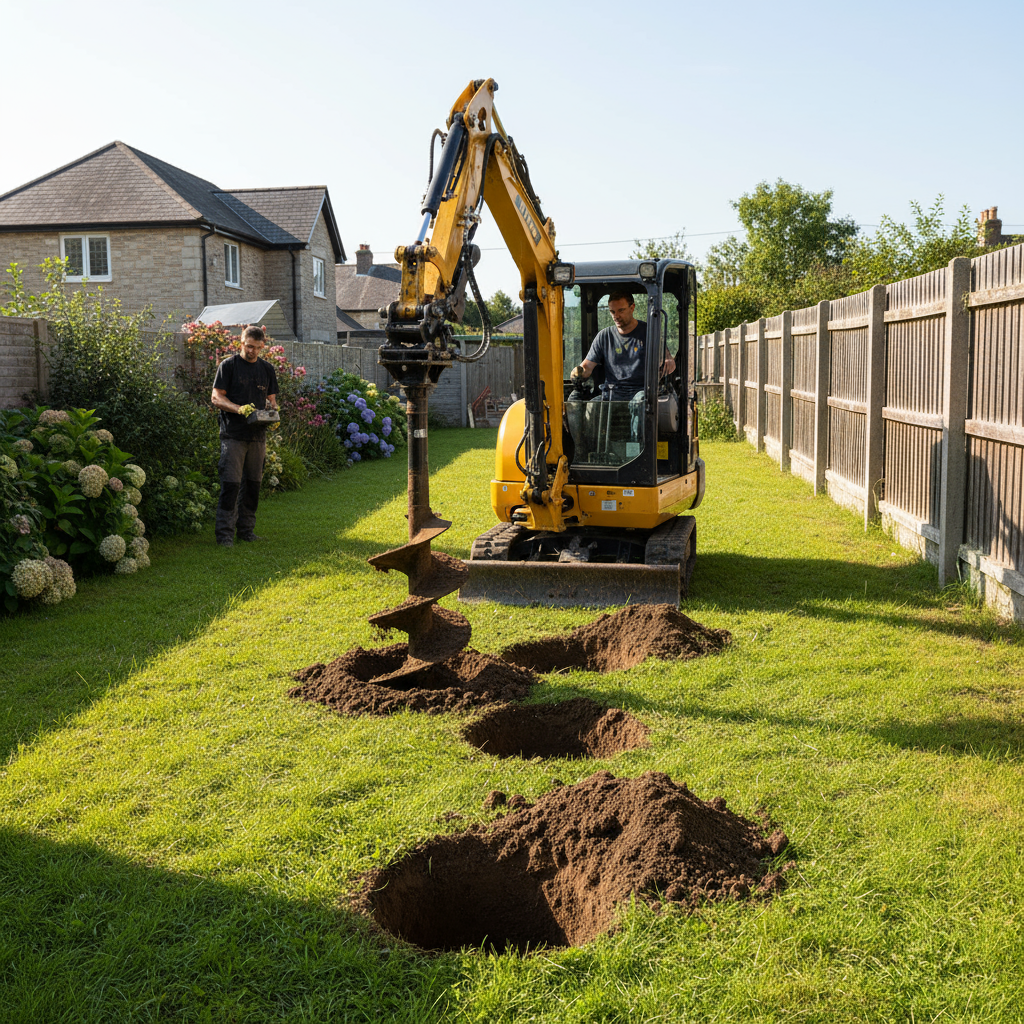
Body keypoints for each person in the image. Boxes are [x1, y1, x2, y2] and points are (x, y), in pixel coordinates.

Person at [569, 291, 675, 435]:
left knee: (640, 403)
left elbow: (667, 360)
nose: (616, 316)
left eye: (621, 310)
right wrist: (578, 372)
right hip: (612, 393)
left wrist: (667, 361)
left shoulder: (648, 332)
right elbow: (587, 366)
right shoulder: (604, 336)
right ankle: (589, 454)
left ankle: (637, 452)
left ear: (632, 308)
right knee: (593, 406)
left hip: (641, 390)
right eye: (612, 311)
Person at [210, 325, 279, 547]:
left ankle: (247, 531)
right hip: (233, 435)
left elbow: (272, 400)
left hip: (258, 436)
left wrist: (272, 413)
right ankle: (224, 535)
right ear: (241, 342)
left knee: (253, 485)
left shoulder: (267, 369)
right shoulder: (228, 366)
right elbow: (216, 398)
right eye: (249, 346)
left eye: (257, 348)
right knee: (231, 484)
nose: (253, 352)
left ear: (263, 346)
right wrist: (239, 409)